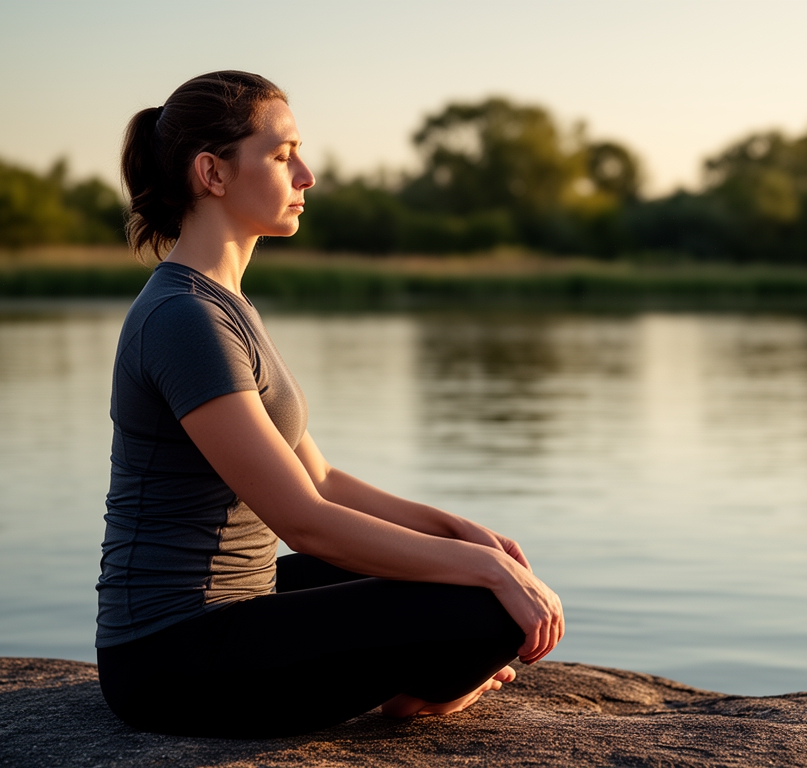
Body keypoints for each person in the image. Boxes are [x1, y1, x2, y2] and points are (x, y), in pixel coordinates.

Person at [95, 71, 564, 739]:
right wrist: (486, 570)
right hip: (171, 656)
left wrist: (458, 532)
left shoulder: (224, 306)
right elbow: (305, 522)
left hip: (244, 603)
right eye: (282, 154)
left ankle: (423, 681)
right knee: (483, 606)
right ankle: (430, 693)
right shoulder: (184, 319)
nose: (307, 174)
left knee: (461, 575)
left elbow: (320, 479)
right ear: (213, 174)